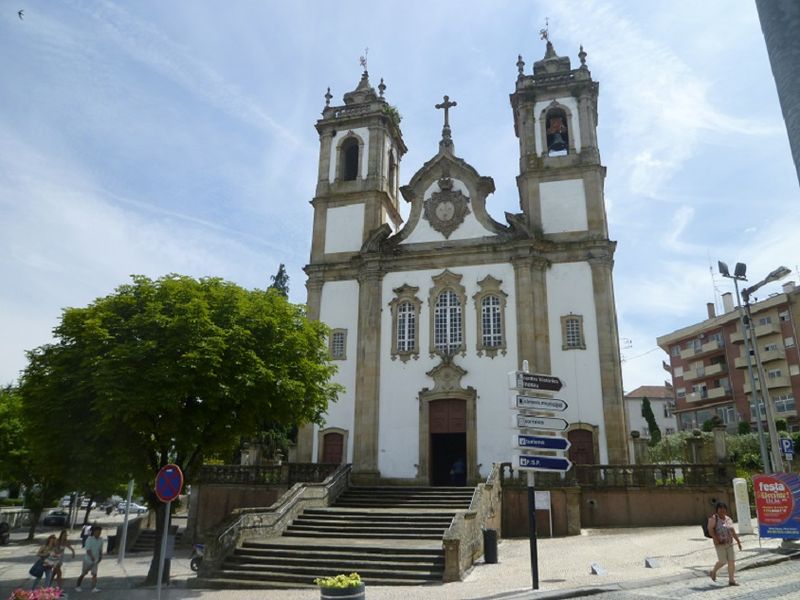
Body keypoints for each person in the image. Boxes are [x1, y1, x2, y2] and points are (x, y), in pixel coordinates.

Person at [708, 501, 742, 586]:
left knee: (731, 561)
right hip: (719, 543)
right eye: (720, 508)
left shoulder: (728, 519)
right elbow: (710, 530)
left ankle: (731, 580)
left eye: (724, 508)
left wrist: (738, 541)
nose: (722, 510)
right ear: (717, 510)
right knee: (723, 561)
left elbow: (732, 531)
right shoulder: (714, 518)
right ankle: (713, 571)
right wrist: (715, 538)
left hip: (729, 542)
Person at [76, 525, 103, 593]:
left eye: (99, 532)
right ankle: (78, 586)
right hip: (88, 560)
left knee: (94, 574)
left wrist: (100, 556)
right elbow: (88, 550)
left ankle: (93, 588)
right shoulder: (89, 539)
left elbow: (100, 549)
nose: (98, 533)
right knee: (83, 573)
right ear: (94, 532)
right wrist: (92, 557)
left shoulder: (100, 540)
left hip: (95, 560)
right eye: (97, 532)